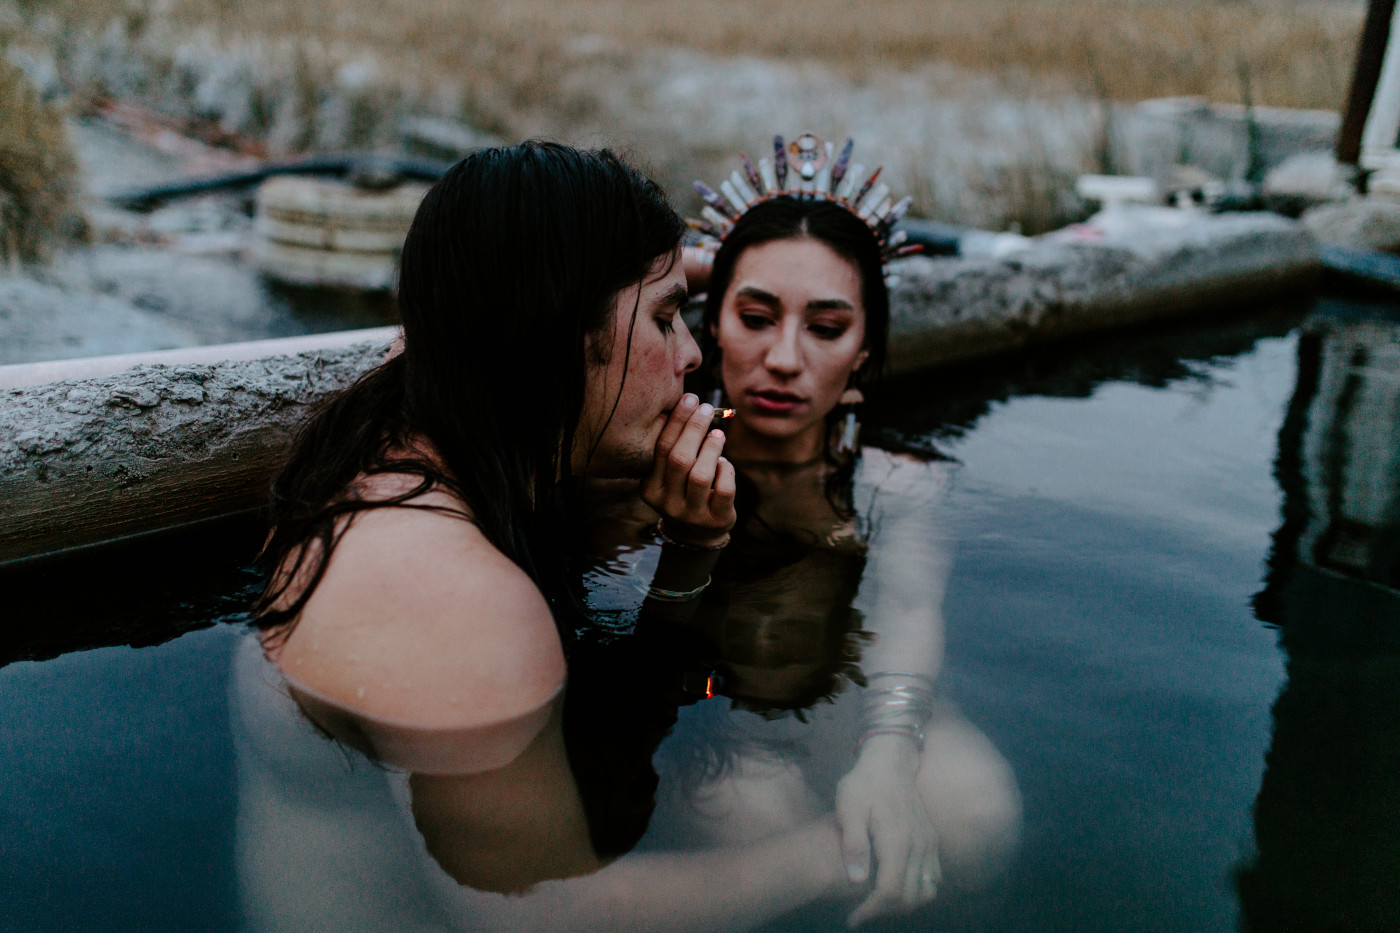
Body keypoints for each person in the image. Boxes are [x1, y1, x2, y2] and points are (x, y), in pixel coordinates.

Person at [235, 141, 858, 932]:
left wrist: (689, 555)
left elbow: (512, 263)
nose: (695, 353)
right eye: (668, 316)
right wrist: (835, 854)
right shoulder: (460, 602)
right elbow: (542, 916)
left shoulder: (406, 409)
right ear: (558, 332)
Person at [579, 133, 1020, 926]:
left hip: (850, 697)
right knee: (761, 815)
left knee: (979, 808)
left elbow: (911, 612)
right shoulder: (649, 465)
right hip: (709, 712)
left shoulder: (898, 482)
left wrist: (887, 755)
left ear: (864, 350)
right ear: (709, 326)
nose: (783, 357)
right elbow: (613, 642)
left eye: (826, 326)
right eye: (755, 314)